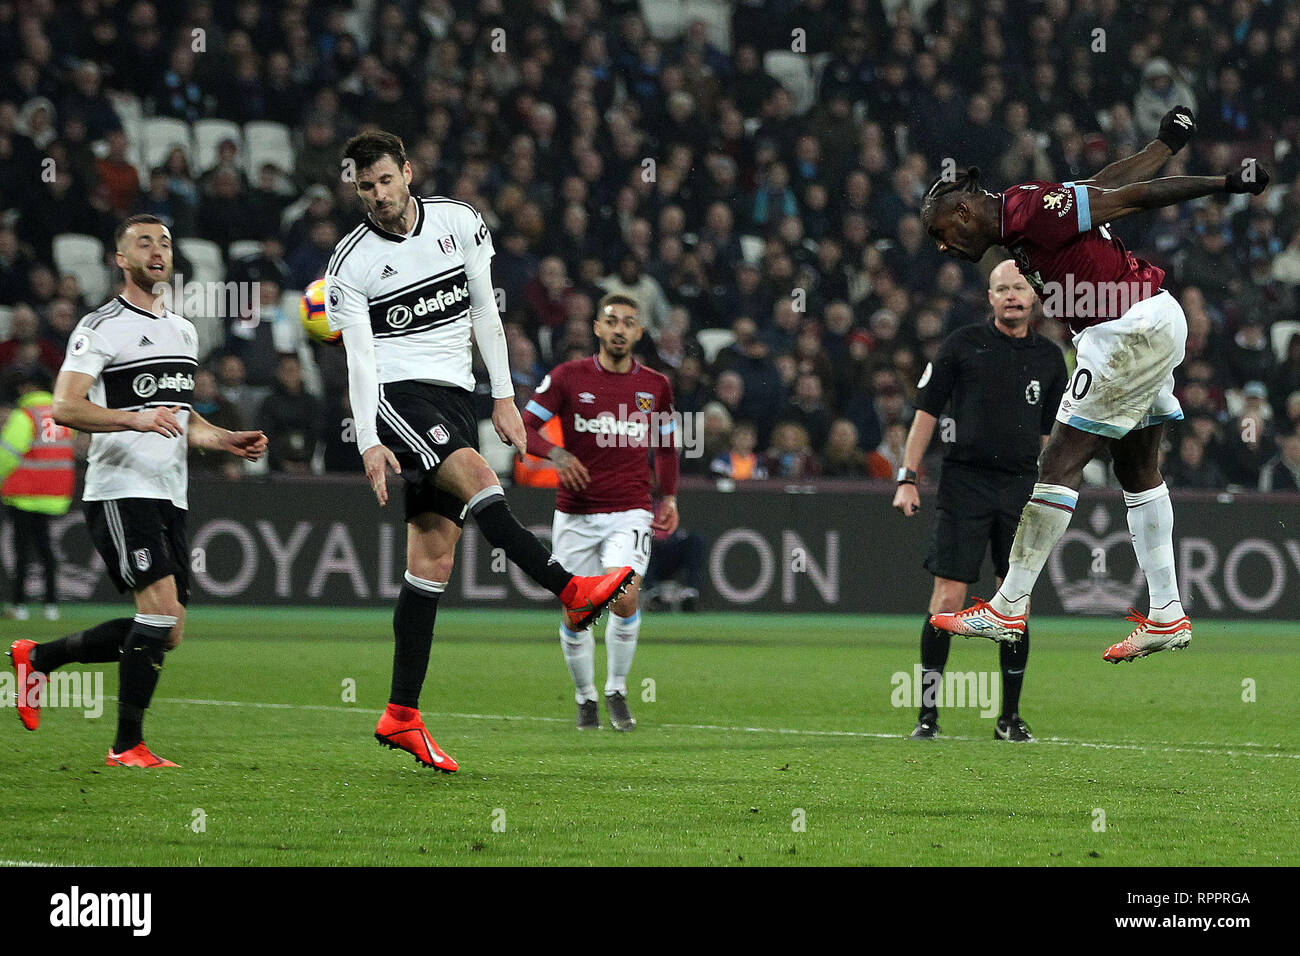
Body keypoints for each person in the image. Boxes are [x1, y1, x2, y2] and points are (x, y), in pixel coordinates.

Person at [323, 132, 634, 770]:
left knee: (431, 562)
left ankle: (401, 714)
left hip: (459, 396)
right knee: (480, 481)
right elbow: (357, 359)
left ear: (408, 171)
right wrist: (370, 439)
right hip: (398, 397)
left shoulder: (459, 222)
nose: (377, 196)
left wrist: (503, 397)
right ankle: (570, 589)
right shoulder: (349, 264)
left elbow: (487, 317)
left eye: (384, 180)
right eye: (364, 187)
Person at [922, 106, 1271, 661]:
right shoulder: (1027, 210)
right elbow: (1108, 183)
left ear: (964, 212)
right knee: (1137, 467)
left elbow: (1133, 199)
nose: (941, 247)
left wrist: (1224, 183)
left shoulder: (1029, 208)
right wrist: (1166, 144)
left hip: (1125, 328)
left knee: (1060, 461)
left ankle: (1009, 605)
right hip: (1144, 320)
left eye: (941, 233)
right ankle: (1166, 614)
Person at [7, 214, 268, 767]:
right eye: (144, 242)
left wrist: (225, 440)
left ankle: (40, 657)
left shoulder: (184, 330)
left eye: (165, 243)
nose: (158, 250)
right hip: (120, 489)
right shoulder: (100, 326)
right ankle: (127, 744)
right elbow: (65, 407)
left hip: (169, 492)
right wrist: (135, 419)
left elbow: (181, 417)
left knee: (167, 631)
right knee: (157, 615)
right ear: (120, 259)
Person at [892, 260, 1067, 741]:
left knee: (1013, 603)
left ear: (1033, 297)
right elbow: (926, 412)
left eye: (1019, 288)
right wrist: (907, 476)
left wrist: (1052, 489)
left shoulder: (1051, 359)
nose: (1011, 295)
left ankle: (1009, 719)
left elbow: (1052, 437)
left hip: (1019, 487)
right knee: (948, 596)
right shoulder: (962, 346)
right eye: (1001, 288)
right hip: (965, 481)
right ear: (989, 298)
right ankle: (927, 716)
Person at [521, 293, 680, 731]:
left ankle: (616, 689)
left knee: (625, 596)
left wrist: (668, 497)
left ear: (638, 333)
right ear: (596, 328)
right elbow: (524, 427)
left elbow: (666, 446)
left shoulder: (656, 386)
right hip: (575, 515)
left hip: (630, 510)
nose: (619, 329)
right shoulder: (566, 378)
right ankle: (585, 696)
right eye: (611, 321)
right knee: (578, 613)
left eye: (628, 323)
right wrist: (555, 454)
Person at [1, 365, 75, 621]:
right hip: (54, 493)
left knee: (22, 551)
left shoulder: (26, 415)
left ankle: (19, 605)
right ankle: (51, 605)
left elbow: (8, 454)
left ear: (28, 388)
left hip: (25, 492)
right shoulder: (61, 413)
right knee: (46, 550)